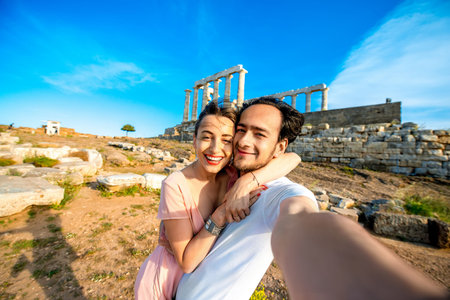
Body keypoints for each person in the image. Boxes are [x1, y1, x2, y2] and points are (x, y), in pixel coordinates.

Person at [134, 101, 301, 299]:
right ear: (194, 140)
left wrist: (247, 181)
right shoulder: (175, 184)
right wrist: (220, 214)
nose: (215, 149)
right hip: (164, 281)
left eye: (226, 140)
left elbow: (293, 158)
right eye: (206, 137)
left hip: (199, 285)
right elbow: (186, 262)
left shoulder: (234, 174)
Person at [176, 97, 319, 299]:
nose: (243, 141)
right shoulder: (227, 174)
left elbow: (301, 214)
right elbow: (293, 158)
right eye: (241, 130)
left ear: (280, 147)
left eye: (259, 134)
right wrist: (247, 181)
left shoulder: (279, 194)